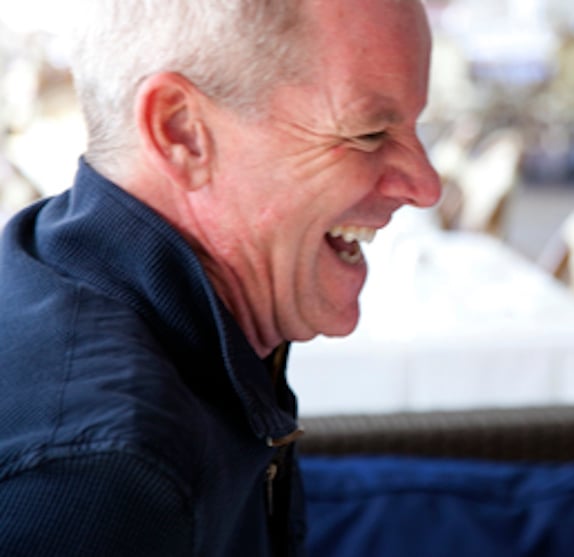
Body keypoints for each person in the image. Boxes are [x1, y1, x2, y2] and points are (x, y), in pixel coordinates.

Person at [0, 0, 439, 555]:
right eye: (370, 133)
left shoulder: (63, 254)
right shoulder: (104, 479)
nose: (426, 186)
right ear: (181, 132)